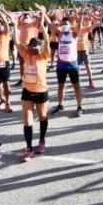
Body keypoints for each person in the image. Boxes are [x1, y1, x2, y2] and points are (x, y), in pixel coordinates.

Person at [17, 10, 51, 162]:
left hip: (42, 91)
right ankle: (29, 148)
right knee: (27, 120)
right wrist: (12, 24)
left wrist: (42, 22)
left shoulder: (44, 55)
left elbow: (47, 38)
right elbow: (16, 40)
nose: (33, 49)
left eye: (36, 46)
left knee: (43, 116)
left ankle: (42, 141)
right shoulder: (26, 54)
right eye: (31, 46)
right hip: (27, 91)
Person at [49, 15, 85, 117]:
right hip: (61, 65)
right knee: (61, 86)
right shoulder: (59, 34)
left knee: (76, 87)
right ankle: (60, 105)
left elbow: (79, 26)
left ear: (70, 25)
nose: (64, 25)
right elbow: (51, 25)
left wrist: (81, 15)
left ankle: (79, 106)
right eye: (63, 23)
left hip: (73, 65)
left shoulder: (73, 34)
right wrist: (44, 13)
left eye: (66, 23)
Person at [14, 11, 41, 87]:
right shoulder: (21, 24)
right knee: (21, 64)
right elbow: (15, 21)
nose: (26, 16)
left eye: (27, 16)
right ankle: (22, 79)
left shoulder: (33, 24)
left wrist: (34, 15)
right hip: (22, 47)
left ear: (30, 19)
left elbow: (40, 20)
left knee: (33, 64)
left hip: (31, 47)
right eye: (25, 16)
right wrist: (21, 15)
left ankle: (36, 78)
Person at [74, 9, 96, 89]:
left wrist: (89, 15)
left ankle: (90, 82)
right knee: (80, 67)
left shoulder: (82, 28)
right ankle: (88, 82)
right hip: (78, 50)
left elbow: (95, 24)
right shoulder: (77, 28)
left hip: (83, 50)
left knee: (85, 67)